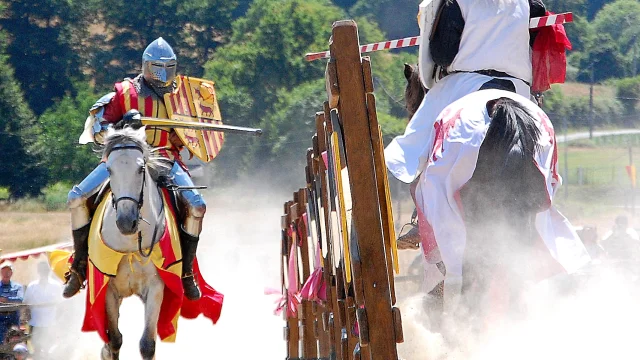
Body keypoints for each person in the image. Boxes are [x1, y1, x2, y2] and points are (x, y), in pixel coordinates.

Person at [390, 0, 546, 246]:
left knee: (423, 147)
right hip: (518, 91)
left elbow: (442, 54)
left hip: (464, 86)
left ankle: (421, 222)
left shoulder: (458, 1)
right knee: (540, 134)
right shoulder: (529, 4)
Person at [64, 37, 205, 301]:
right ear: (146, 66)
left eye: (168, 67)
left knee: (197, 206)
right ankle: (79, 267)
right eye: (157, 68)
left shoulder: (182, 98)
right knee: (76, 198)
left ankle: (186, 273)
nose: (163, 74)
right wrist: (122, 125)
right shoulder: (124, 92)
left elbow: (191, 138)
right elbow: (96, 128)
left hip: (165, 158)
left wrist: (184, 133)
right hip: (125, 157)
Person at [22, 262, 62, 358]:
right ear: (38, 272)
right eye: (41, 270)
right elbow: (25, 304)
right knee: (37, 349)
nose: (43, 272)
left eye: (45, 270)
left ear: (48, 271)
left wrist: (58, 321)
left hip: (51, 324)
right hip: (36, 323)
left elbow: (61, 305)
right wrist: (26, 318)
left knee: (50, 349)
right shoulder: (32, 286)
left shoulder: (56, 286)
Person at [0, 263, 23, 343]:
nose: (6, 273)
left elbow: (20, 300)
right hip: (1, 320)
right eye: (4, 271)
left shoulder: (18, 287)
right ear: (1, 272)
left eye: (8, 271)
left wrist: (5, 299)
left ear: (12, 273)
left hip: (14, 319)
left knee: (14, 343)